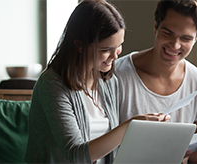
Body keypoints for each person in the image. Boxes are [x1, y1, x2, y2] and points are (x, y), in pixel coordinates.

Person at [25, 0, 170, 163]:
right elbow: (76, 155)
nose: (115, 56)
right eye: (106, 50)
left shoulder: (108, 82)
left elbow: (111, 148)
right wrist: (130, 126)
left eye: (119, 46)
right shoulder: (52, 85)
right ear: (79, 44)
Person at [115, 0, 197, 164]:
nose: (175, 45)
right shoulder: (116, 74)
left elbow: (196, 154)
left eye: (186, 38)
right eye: (168, 33)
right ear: (155, 27)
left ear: (196, 39)